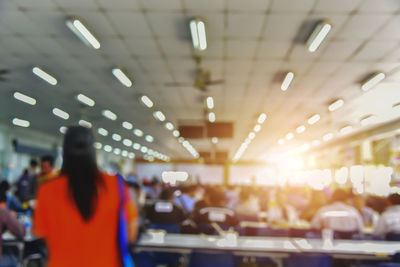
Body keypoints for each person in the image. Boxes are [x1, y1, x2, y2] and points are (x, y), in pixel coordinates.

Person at [33, 126, 138, 267]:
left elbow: (42, 234)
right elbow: (131, 232)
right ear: (93, 151)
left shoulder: (47, 189)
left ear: (64, 151)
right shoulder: (115, 185)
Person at [0, 184, 26, 267]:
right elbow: (21, 232)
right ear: (5, 201)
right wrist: (12, 217)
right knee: (14, 257)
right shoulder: (3, 211)